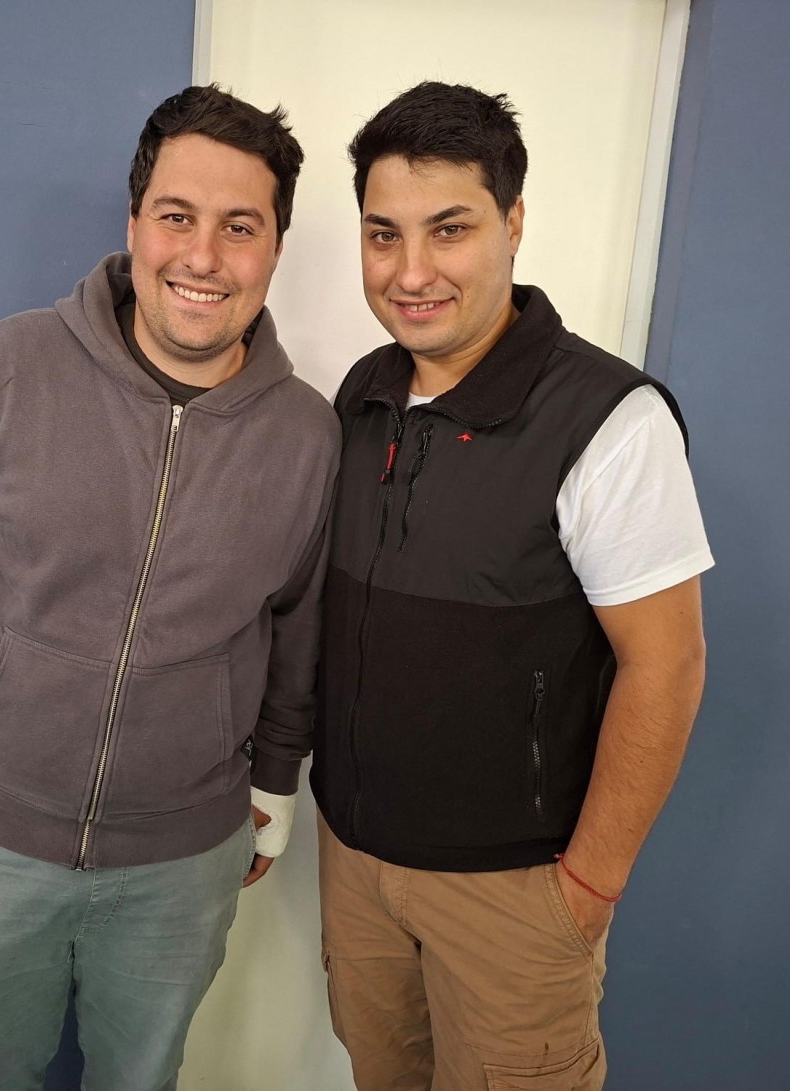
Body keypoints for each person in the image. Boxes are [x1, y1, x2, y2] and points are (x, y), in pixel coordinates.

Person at [0, 84, 339, 1091]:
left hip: (182, 860)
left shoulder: (306, 434)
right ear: (134, 223)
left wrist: (276, 777)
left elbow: (297, 626)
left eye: (239, 226)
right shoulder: (8, 367)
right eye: (176, 216)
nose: (202, 256)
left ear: (275, 248)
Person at [311, 82, 712, 1090]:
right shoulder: (363, 393)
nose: (410, 272)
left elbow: (666, 664)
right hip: (355, 865)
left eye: (449, 230)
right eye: (383, 234)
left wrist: (585, 889)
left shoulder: (608, 418)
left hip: (514, 893)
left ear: (513, 223)